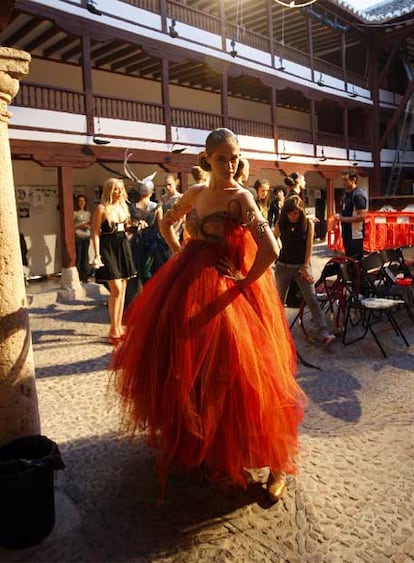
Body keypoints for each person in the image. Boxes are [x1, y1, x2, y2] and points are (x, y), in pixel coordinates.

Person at [112, 128, 306, 503]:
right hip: (187, 286)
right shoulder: (196, 194)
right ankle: (208, 446)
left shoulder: (242, 198)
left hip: (227, 291)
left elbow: (271, 248)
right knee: (191, 370)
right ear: (207, 159)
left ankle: (275, 463)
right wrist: (179, 252)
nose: (231, 164)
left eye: (235, 157)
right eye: (222, 158)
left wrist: (244, 281)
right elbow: (165, 222)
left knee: (249, 376)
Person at [274, 195, 335, 346]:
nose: (292, 216)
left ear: (301, 211)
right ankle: (277, 331)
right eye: (289, 213)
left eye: (295, 213)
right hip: (283, 265)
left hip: (301, 266)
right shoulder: (281, 222)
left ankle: (323, 333)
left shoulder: (307, 223)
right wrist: (275, 252)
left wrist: (306, 266)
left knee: (312, 299)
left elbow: (309, 247)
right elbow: (272, 238)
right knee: (278, 300)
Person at [92, 178, 136, 345]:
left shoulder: (124, 207)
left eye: (120, 188)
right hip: (107, 249)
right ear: (109, 190)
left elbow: (125, 230)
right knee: (116, 289)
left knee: (123, 289)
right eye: (115, 189)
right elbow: (95, 233)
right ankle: (112, 328)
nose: (118, 192)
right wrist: (96, 255)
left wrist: (135, 227)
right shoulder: (101, 209)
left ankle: (118, 327)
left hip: (122, 247)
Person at [128, 178, 169, 288]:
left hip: (136, 242)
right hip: (152, 242)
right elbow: (161, 227)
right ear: (151, 192)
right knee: (151, 271)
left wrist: (136, 224)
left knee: (137, 271)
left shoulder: (131, 207)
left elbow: (128, 225)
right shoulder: (157, 207)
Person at [334, 169, 367, 261]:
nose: (343, 183)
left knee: (356, 261)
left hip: (355, 234)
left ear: (353, 180)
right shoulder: (347, 194)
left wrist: (342, 218)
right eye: (342, 180)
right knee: (349, 260)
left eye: (345, 180)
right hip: (347, 233)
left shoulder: (358, 195)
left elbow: (362, 216)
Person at [74, 194, 92, 282]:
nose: (82, 203)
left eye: (83, 201)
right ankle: (78, 276)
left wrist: (88, 226)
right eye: (80, 201)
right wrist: (81, 225)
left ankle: (85, 275)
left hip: (86, 236)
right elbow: (72, 226)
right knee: (79, 257)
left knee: (86, 257)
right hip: (78, 237)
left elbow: (90, 224)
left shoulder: (88, 213)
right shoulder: (74, 213)